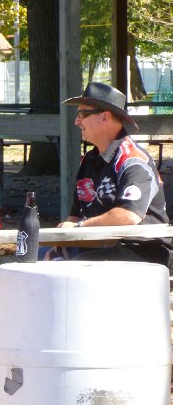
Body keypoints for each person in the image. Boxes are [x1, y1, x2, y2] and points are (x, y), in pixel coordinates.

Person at [48, 81, 171, 266]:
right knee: (34, 257)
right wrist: (61, 245)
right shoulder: (89, 160)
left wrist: (78, 227)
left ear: (105, 117)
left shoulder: (133, 160)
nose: (77, 121)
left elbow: (129, 215)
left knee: (74, 267)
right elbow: (75, 214)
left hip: (143, 252)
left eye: (82, 114)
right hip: (99, 247)